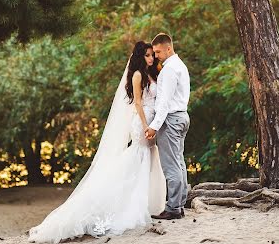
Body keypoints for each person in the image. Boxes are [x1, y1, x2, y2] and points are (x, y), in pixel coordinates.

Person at [28, 41, 166, 243]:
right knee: (140, 155)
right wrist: (146, 125)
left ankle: (146, 202)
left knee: (147, 157)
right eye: (147, 55)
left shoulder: (151, 74)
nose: (151, 58)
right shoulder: (137, 75)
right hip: (142, 122)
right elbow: (137, 102)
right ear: (139, 56)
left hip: (152, 120)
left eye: (152, 55)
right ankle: (128, 204)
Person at [145, 32, 190, 220]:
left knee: (171, 165)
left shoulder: (170, 70)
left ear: (168, 48)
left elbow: (164, 102)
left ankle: (173, 208)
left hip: (171, 120)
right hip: (181, 117)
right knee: (178, 162)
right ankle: (179, 204)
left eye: (157, 52)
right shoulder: (180, 66)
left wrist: (154, 126)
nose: (156, 56)